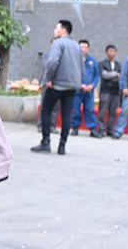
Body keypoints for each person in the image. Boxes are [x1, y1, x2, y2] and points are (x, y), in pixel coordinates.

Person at [31, 20, 83, 155]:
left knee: (46, 110)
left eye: (57, 27)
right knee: (66, 115)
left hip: (57, 84)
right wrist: (78, 81)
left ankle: (45, 142)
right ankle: (62, 145)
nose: (55, 30)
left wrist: (48, 79)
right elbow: (81, 66)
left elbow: (53, 62)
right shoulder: (77, 46)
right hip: (72, 85)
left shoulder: (58, 43)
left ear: (63, 30)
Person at [70, 40, 99, 135]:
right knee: (76, 110)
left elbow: (97, 75)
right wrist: (80, 85)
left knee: (90, 109)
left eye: (85, 47)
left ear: (88, 49)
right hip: (77, 90)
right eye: (81, 47)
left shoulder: (93, 61)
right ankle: (75, 128)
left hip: (89, 91)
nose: (83, 49)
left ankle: (92, 129)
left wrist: (92, 85)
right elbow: (71, 74)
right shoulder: (74, 61)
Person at [93, 44, 121, 138]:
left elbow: (121, 77)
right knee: (102, 111)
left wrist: (111, 75)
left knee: (113, 111)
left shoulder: (118, 65)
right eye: (110, 51)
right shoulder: (102, 64)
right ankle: (101, 129)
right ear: (106, 52)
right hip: (105, 90)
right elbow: (104, 75)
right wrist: (115, 74)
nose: (112, 53)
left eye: (114, 51)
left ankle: (110, 129)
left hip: (115, 91)